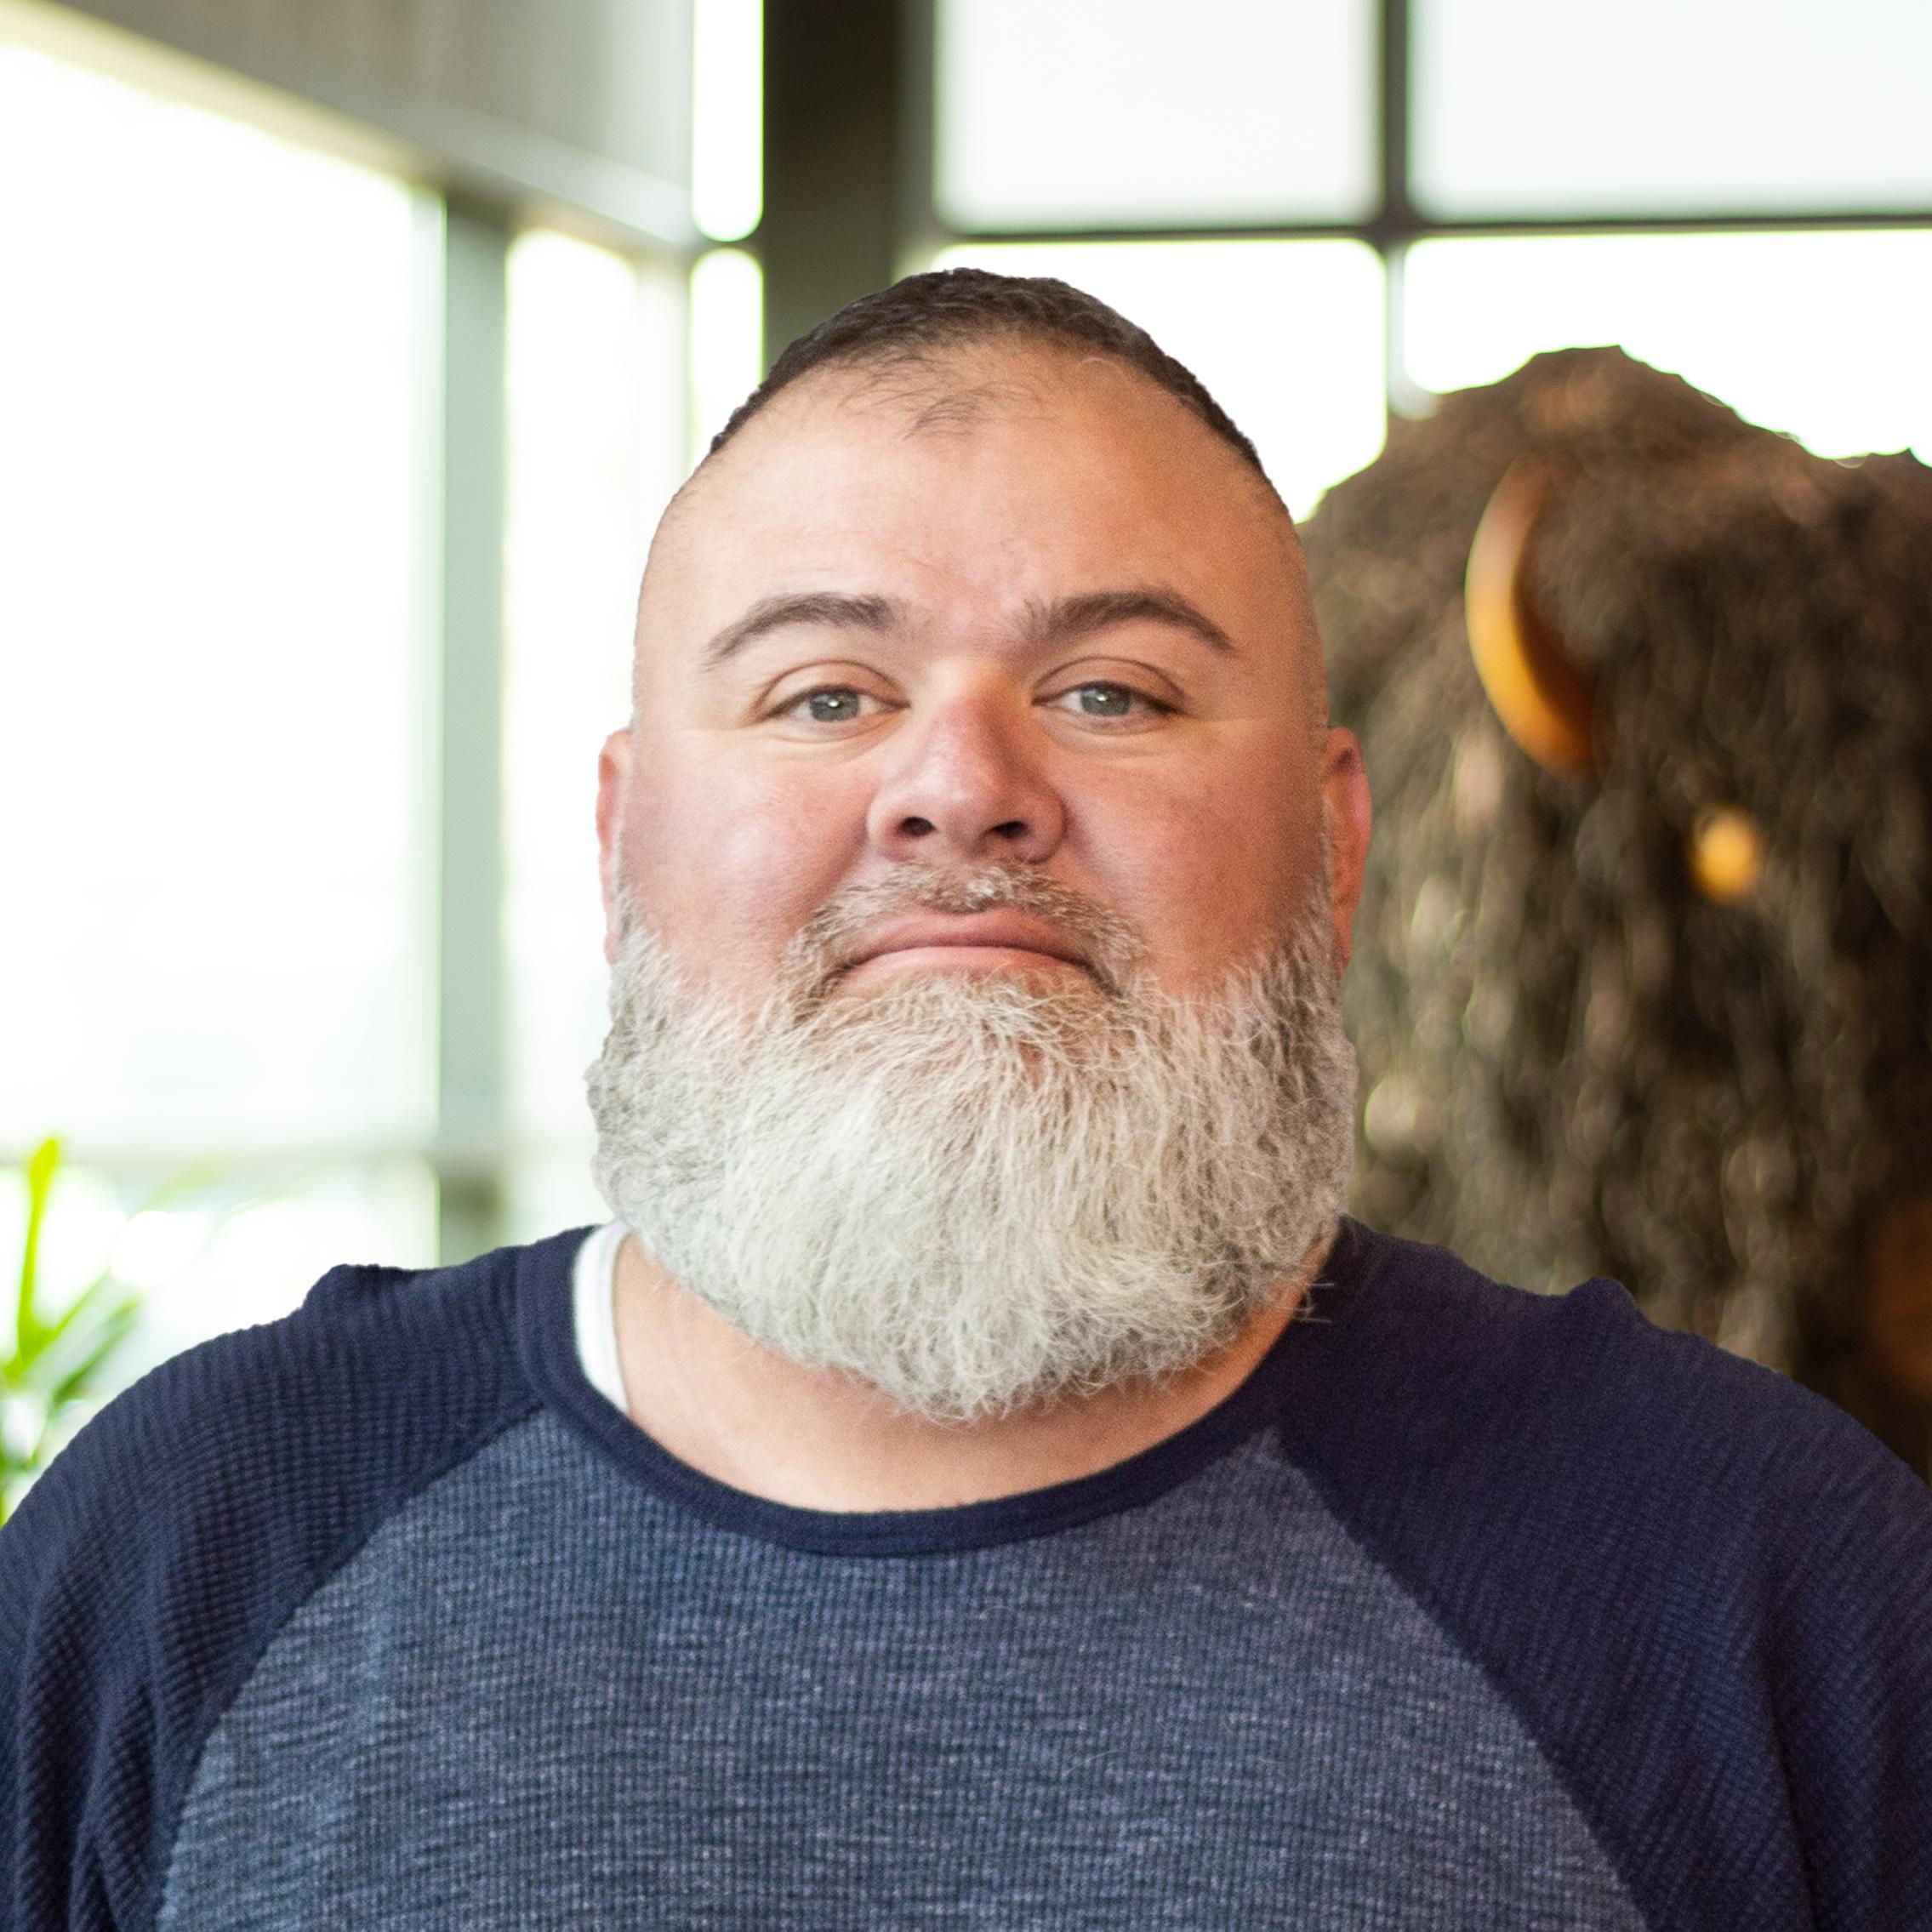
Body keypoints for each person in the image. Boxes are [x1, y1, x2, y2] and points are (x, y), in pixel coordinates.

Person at [3, 271, 1928, 1931]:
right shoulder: (187, 1554)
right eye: (822, 692)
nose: (959, 786)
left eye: (1112, 691)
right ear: (618, 842)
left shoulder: (1763, 1585)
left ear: (1335, 844)